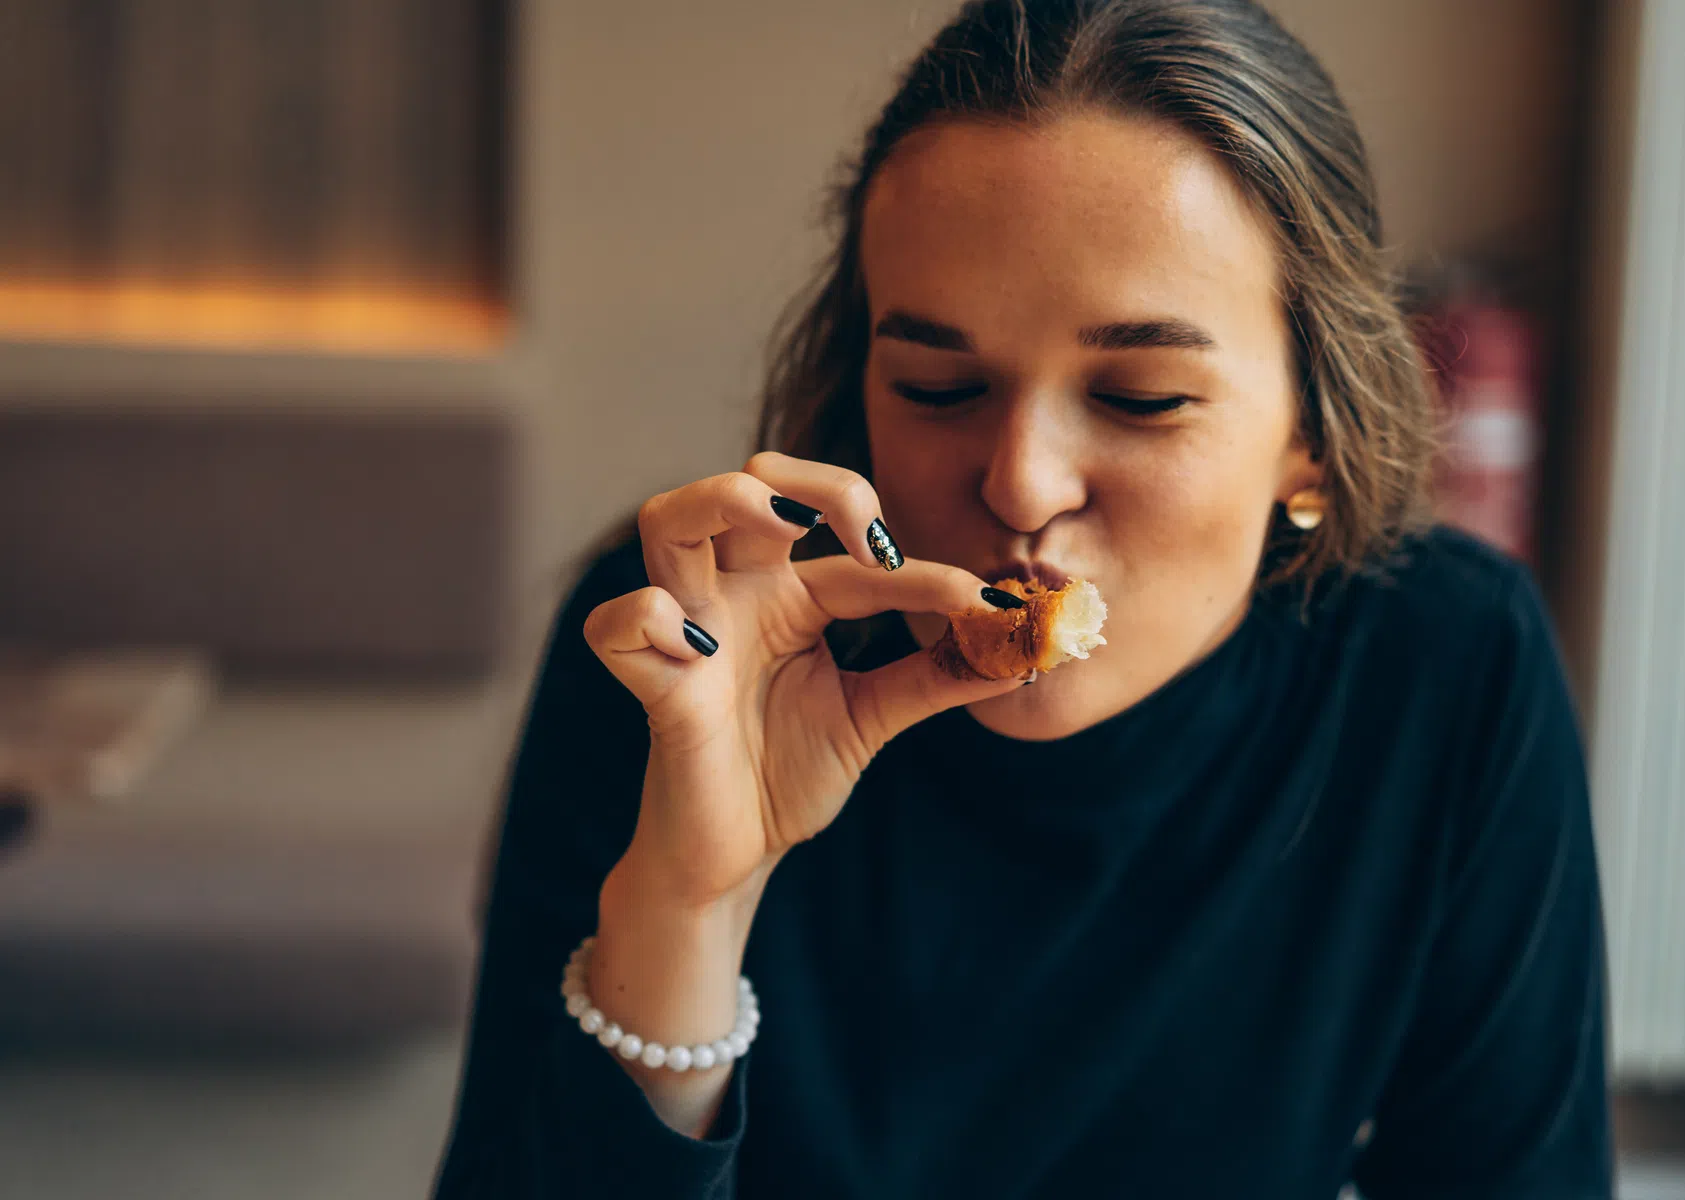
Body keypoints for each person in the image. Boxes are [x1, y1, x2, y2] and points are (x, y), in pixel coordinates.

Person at [432, 1, 1614, 1195]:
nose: (1021, 482)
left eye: (1143, 396)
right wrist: (687, 906)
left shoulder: (1444, 665)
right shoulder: (686, 649)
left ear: (1314, 431)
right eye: (939, 386)